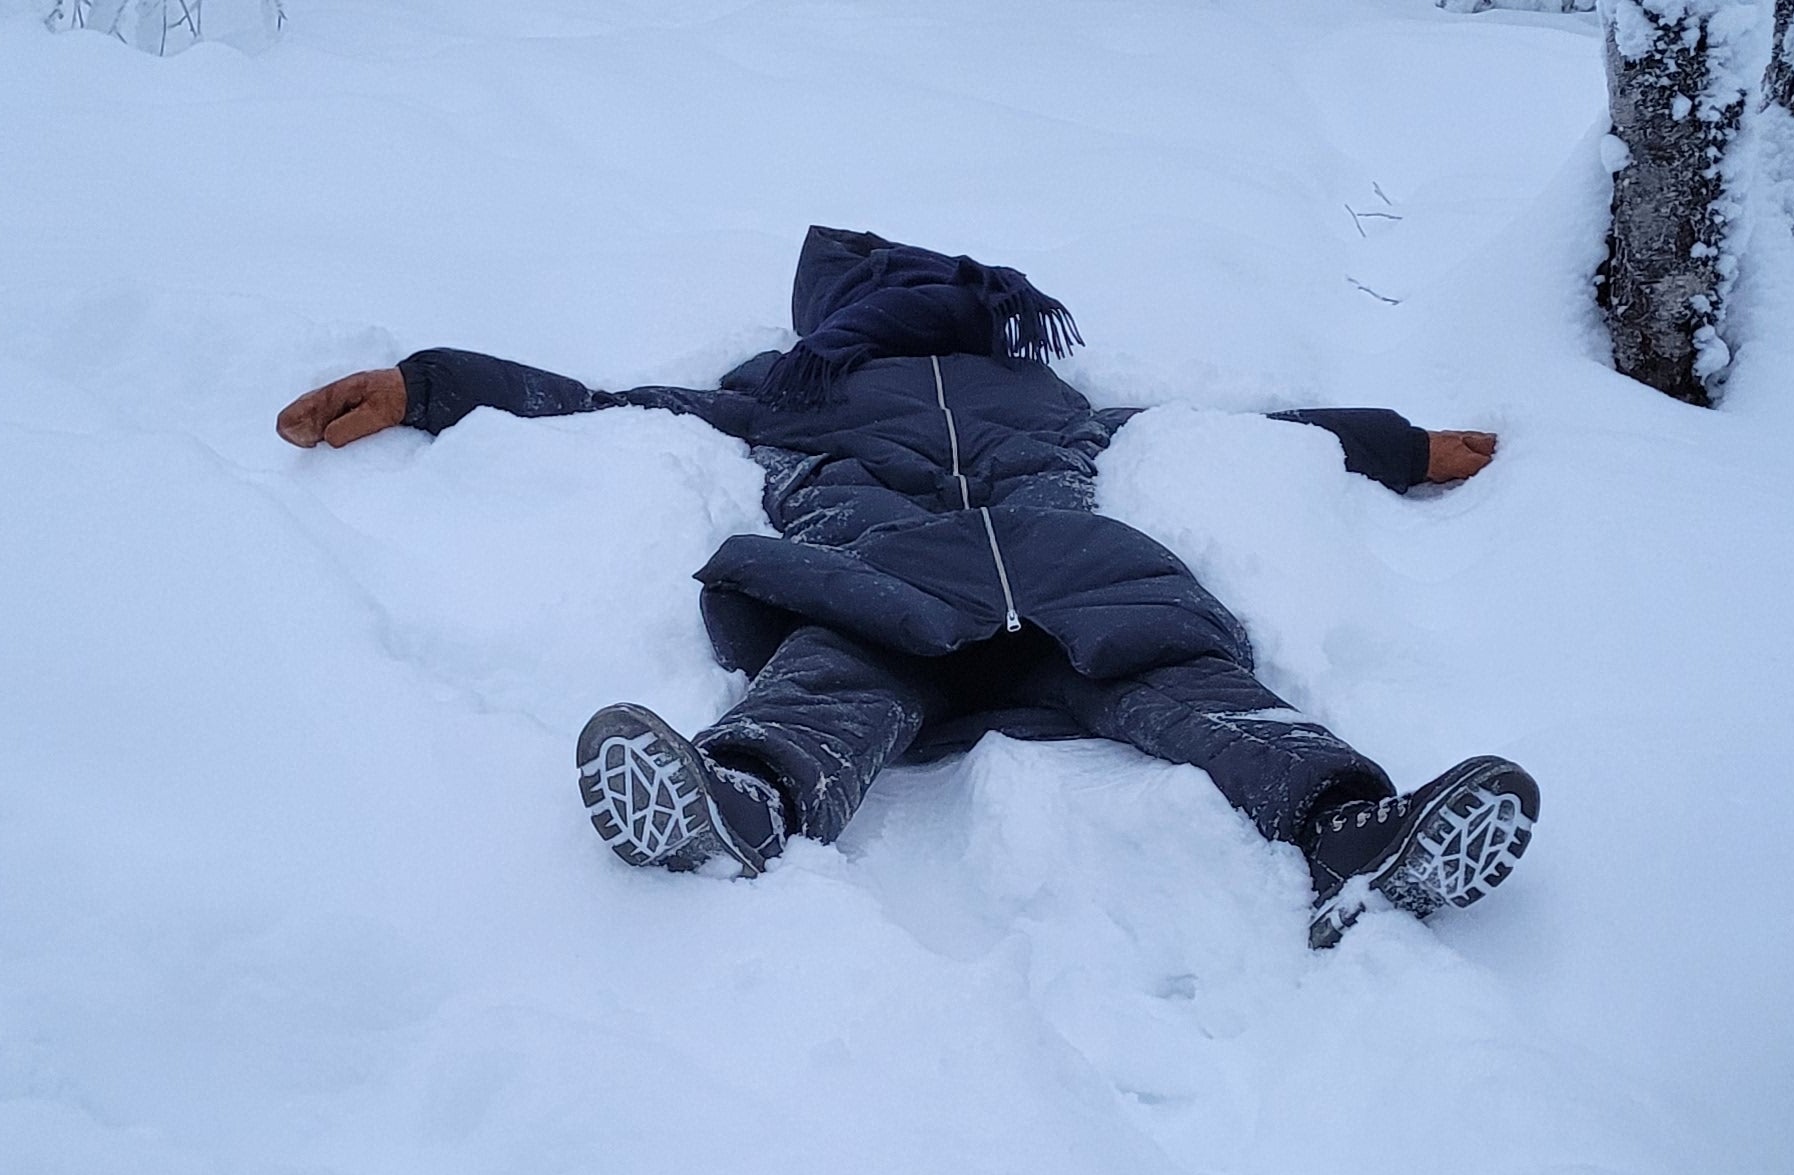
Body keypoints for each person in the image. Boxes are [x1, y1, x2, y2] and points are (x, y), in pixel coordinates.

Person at [277, 222, 1538, 948]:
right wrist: (425, 386)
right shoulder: (783, 391)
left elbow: (1238, 425)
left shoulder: (1045, 397)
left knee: (1183, 668)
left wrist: (1400, 444)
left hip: (1064, 559)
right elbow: (598, 404)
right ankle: (741, 803)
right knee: (838, 659)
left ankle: (1353, 829)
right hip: (876, 558)